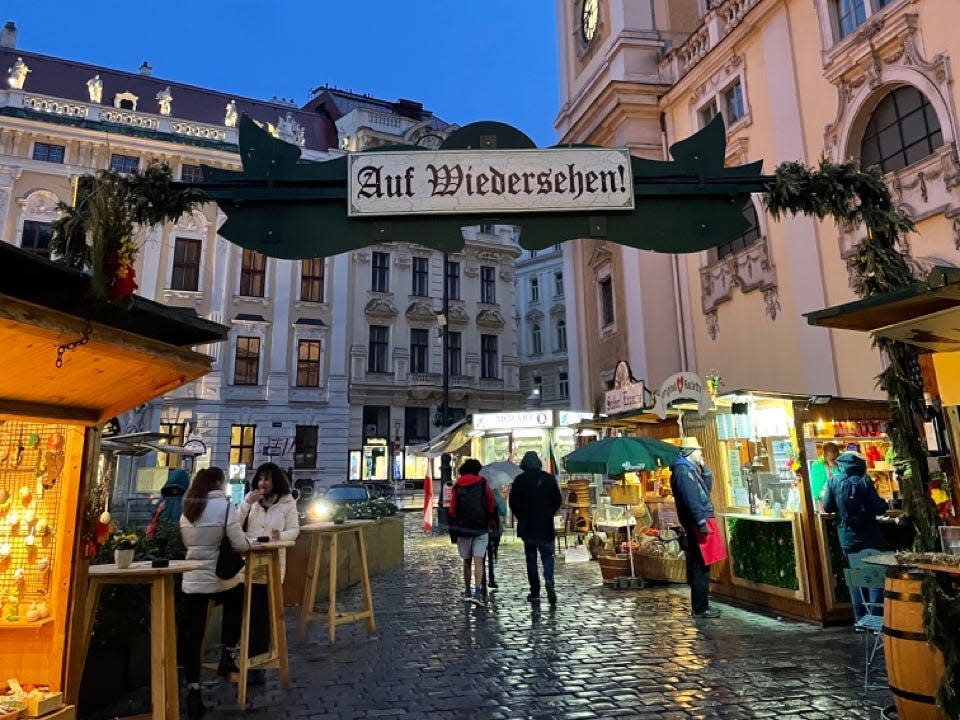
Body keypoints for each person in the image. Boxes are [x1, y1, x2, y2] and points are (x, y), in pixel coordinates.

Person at [179, 467, 251, 719]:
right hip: (219, 579)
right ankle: (227, 653)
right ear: (219, 483)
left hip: (192, 580)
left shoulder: (188, 511)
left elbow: (188, 544)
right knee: (237, 595)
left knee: (194, 635)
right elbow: (240, 543)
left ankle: (193, 688)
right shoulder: (224, 507)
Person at [237, 462, 300, 683]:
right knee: (247, 612)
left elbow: (294, 531)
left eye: (267, 479)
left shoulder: (287, 503)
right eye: (260, 478)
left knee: (261, 615)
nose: (262, 483)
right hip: (248, 564)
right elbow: (234, 525)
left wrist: (279, 536)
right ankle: (243, 657)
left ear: (276, 482)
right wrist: (245, 504)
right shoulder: (251, 503)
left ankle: (258, 663)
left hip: (271, 566)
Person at [821, 450, 889, 621]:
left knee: (855, 577)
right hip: (870, 535)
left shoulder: (834, 481)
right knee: (874, 574)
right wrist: (884, 504)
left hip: (847, 537)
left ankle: (859, 619)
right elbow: (878, 507)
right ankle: (875, 618)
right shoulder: (864, 481)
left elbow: (828, 507)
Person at [670, 437, 720, 619]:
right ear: (689, 452)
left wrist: (705, 470)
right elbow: (692, 500)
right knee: (701, 565)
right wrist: (700, 522)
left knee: (703, 564)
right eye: (698, 451)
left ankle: (701, 606)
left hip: (698, 520)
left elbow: (705, 491)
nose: (701, 453)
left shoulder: (690, 469)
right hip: (696, 522)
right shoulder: (683, 472)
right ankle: (700, 607)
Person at [509, 451, 562, 605]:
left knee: (531, 558)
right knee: (547, 556)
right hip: (545, 525)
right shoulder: (548, 478)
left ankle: (535, 591)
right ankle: (549, 579)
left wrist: (521, 516)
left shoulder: (519, 480)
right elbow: (557, 500)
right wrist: (548, 513)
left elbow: (513, 503)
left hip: (528, 526)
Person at [448, 458, 496, 604]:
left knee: (467, 561)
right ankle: (477, 592)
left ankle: (467, 591)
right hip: (481, 528)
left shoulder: (457, 485)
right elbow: (491, 503)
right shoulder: (482, 482)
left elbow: (452, 510)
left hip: (463, 529)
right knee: (479, 560)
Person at [146, 468, 189, 538]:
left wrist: (158, 511)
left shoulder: (165, 497)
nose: (174, 490)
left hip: (161, 531)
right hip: (177, 533)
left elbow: (153, 512)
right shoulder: (185, 500)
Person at [485, 484, 509, 590]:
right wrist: (502, 500)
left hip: (481, 527)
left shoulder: (479, 490)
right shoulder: (495, 492)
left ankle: (481, 581)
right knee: (492, 553)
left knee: (480, 556)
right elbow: (503, 511)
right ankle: (491, 578)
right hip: (494, 528)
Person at [809, 442, 840, 512]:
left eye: (837, 457)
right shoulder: (817, 465)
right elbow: (816, 490)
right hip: (825, 503)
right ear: (825, 455)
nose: (835, 460)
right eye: (832, 459)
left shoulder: (842, 463)